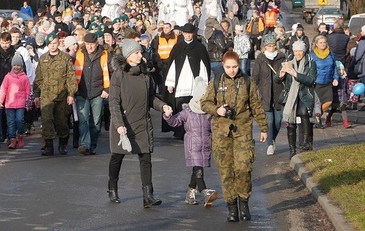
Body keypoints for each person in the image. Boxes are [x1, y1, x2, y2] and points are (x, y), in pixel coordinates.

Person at [201, 50, 268, 222]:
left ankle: (244, 202)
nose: (232, 70)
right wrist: (217, 110)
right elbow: (204, 103)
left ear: (239, 65)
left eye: (235, 67)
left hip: (242, 131)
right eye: (228, 67)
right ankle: (231, 207)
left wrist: (263, 128)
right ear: (223, 66)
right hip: (221, 133)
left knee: (244, 169)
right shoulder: (216, 81)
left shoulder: (247, 82)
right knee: (226, 172)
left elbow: (256, 105)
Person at [108, 38, 172, 208]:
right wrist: (118, 124)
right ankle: (112, 187)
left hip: (142, 122)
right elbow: (113, 102)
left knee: (145, 157)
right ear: (128, 56)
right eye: (136, 53)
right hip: (123, 123)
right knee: (117, 156)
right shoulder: (119, 75)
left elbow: (151, 98)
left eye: (140, 52)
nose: (139, 55)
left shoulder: (145, 75)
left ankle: (148, 195)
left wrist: (163, 105)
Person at [163, 42, 217, 208]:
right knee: (198, 170)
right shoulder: (187, 111)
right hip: (192, 145)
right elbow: (176, 121)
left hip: (205, 144)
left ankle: (190, 192)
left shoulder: (209, 113)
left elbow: (215, 126)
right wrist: (168, 116)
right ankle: (205, 191)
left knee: (197, 170)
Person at [33, 33, 77, 156]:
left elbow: (70, 77)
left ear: (58, 44)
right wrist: (36, 94)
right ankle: (49, 145)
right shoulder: (43, 59)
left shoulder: (65, 58)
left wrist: (71, 94)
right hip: (46, 95)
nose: (52, 46)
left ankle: (63, 144)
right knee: (46, 120)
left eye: (55, 43)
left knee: (61, 121)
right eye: (50, 44)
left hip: (61, 95)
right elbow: (38, 78)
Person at [276, 40, 317, 158]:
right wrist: (281, 75)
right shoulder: (288, 60)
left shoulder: (310, 63)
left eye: (300, 51)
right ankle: (292, 150)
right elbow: (276, 79)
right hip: (290, 96)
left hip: (304, 94)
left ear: (304, 51)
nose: (298, 53)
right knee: (290, 122)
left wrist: (296, 75)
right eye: (296, 51)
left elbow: (311, 80)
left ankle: (305, 143)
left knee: (304, 113)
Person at [73, 32, 110, 155]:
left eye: (92, 44)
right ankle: (85, 144)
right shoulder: (79, 54)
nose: (89, 47)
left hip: (98, 93)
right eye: (87, 44)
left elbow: (112, 73)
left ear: (97, 44)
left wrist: (107, 90)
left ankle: (92, 145)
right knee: (83, 120)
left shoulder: (105, 55)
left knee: (96, 122)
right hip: (81, 92)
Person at [251, 34, 286, 156]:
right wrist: (253, 92)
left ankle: (272, 139)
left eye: (272, 46)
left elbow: (286, 74)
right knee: (269, 121)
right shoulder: (260, 59)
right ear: (264, 47)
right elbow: (255, 77)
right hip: (265, 95)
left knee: (278, 121)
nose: (271, 48)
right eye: (268, 46)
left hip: (279, 94)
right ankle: (270, 144)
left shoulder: (282, 58)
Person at [0, 53, 31, 149]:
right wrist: (0, 101)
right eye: (15, 65)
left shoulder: (24, 78)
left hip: (21, 104)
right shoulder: (8, 77)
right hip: (9, 104)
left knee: (19, 120)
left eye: (18, 65)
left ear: (21, 66)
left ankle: (20, 136)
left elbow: (28, 91)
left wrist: (28, 103)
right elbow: (3, 89)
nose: (16, 67)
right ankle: (12, 139)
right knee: (11, 122)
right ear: (12, 66)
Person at [0, 32, 15, 147]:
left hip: (12, 88)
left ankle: (11, 136)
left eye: (7, 42)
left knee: (10, 114)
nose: (5, 45)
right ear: (0, 41)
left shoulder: (15, 54)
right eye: (3, 42)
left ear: (11, 42)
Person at [310, 35, 337, 128]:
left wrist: (336, 78)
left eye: (324, 42)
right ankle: (317, 119)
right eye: (320, 43)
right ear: (316, 44)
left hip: (328, 82)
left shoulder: (330, 54)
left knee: (329, 101)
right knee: (317, 103)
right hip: (317, 82)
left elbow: (334, 67)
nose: (323, 44)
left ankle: (315, 116)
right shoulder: (312, 55)